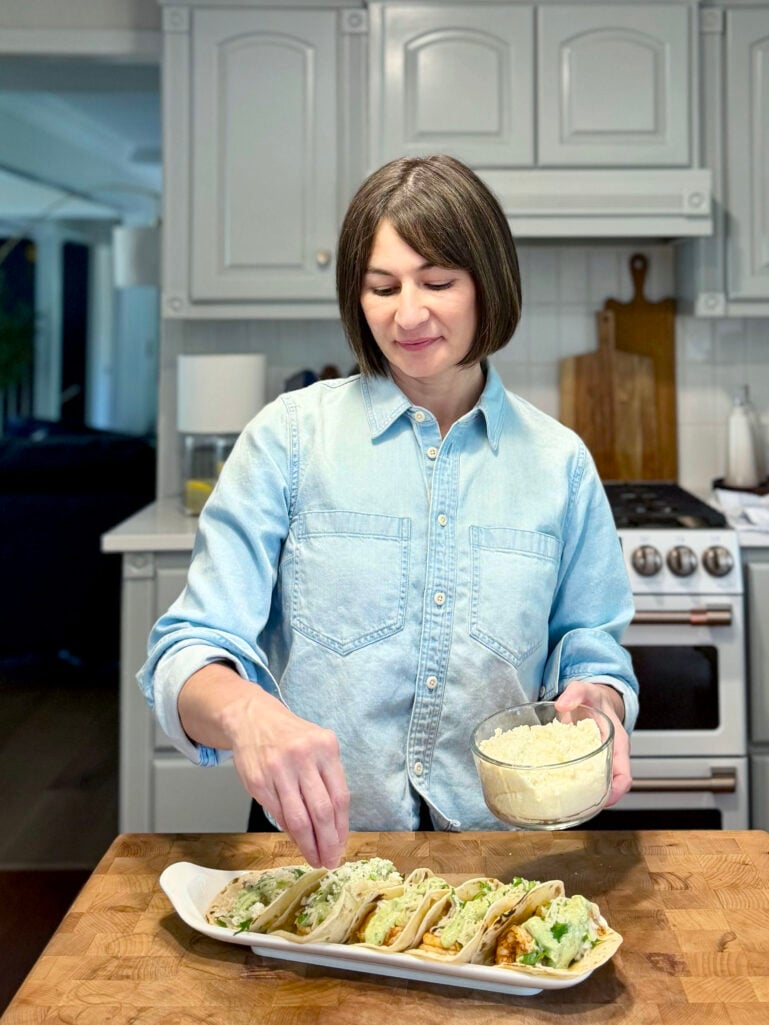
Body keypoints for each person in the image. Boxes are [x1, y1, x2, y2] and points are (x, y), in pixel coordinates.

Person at [139, 154, 638, 870]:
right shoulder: (287, 438)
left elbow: (591, 643)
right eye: (381, 287)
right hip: (314, 859)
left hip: (499, 862)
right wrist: (248, 712)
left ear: (486, 284)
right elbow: (185, 651)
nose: (407, 313)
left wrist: (600, 702)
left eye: (436, 282)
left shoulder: (557, 463)